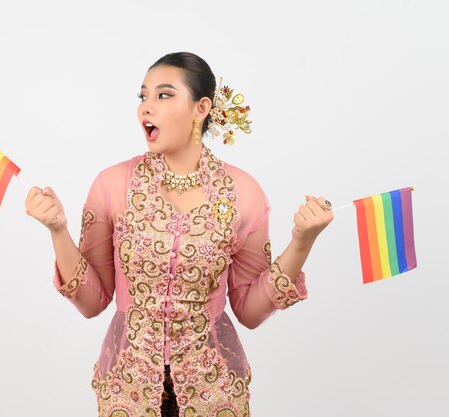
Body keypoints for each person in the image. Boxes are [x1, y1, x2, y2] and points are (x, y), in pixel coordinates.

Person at [25, 52, 334, 417]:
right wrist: (57, 230)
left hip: (214, 386)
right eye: (143, 96)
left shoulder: (244, 193)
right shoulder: (111, 185)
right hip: (128, 386)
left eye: (164, 95)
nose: (146, 108)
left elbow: (250, 311)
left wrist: (302, 242)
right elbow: (93, 302)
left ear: (201, 107)